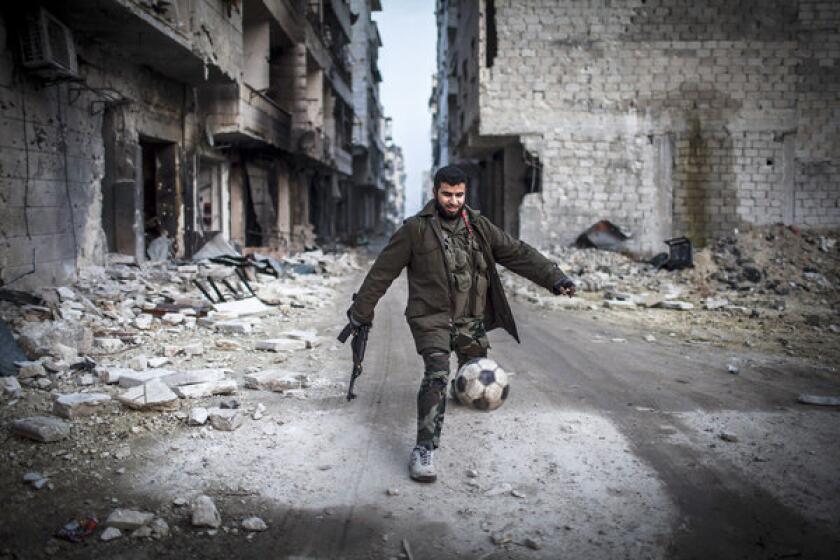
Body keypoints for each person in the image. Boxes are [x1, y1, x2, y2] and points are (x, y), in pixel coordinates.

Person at [345, 164, 575, 483]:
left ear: (465, 194)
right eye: (447, 194)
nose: (453, 201)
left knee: (473, 370)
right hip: (431, 319)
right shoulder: (415, 230)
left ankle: (460, 384)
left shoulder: (479, 226)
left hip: (470, 320)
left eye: (459, 195)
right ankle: (424, 449)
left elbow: (517, 252)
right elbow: (382, 272)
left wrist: (555, 278)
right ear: (435, 192)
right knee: (437, 374)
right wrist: (361, 311)